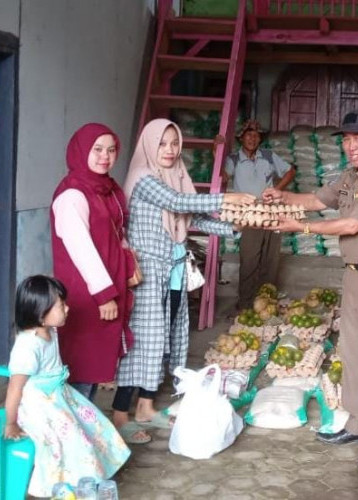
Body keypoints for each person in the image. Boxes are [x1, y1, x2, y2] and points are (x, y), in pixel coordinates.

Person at [262, 110, 358, 469]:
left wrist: (302, 228)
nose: (351, 145)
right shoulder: (350, 176)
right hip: (355, 275)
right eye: (346, 138)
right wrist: (281, 196)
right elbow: (316, 200)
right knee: (354, 355)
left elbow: (352, 224)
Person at [112, 119, 255, 443]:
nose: (170, 150)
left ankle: (146, 407)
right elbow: (178, 204)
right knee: (143, 344)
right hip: (148, 273)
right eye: (162, 143)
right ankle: (121, 414)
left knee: (164, 340)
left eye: (175, 143)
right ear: (150, 145)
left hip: (174, 269)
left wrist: (234, 226)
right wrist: (225, 199)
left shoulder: (176, 177)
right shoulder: (143, 177)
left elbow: (191, 216)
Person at [4, 275, 130, 497]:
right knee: (71, 437)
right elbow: (15, 389)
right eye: (61, 305)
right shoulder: (28, 346)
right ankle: (68, 483)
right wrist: (11, 423)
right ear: (41, 315)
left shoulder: (50, 331)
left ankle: (91, 473)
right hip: (38, 406)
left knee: (92, 423)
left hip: (58, 395)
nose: (68, 309)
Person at [51, 123, 135, 401]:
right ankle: (75, 432)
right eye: (97, 149)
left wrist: (129, 262)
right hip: (87, 296)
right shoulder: (73, 194)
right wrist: (104, 295)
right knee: (82, 368)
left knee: (96, 366)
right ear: (81, 151)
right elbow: (82, 251)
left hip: (106, 291)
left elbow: (115, 233)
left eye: (111, 150)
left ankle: (87, 432)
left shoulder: (106, 189)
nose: (105, 156)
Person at [225, 119, 296, 310]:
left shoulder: (268, 156)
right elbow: (222, 177)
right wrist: (216, 153)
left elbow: (290, 171)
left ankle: (267, 304)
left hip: (271, 211)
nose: (252, 138)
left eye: (256, 135)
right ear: (241, 138)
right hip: (249, 213)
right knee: (249, 258)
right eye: (249, 134)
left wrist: (277, 189)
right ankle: (246, 303)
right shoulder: (233, 159)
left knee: (271, 259)